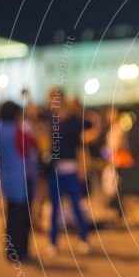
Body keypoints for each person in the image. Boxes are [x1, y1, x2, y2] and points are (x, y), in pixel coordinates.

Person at [46, 91, 96, 256]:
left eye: (55, 99)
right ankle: (53, 242)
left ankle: (83, 239)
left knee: (76, 206)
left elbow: (79, 146)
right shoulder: (51, 121)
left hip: (71, 169)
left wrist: (82, 168)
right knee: (54, 208)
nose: (53, 103)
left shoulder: (73, 121)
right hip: (55, 170)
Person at [0, 101, 37, 261]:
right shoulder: (17, 131)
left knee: (11, 216)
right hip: (22, 178)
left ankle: (11, 251)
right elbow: (34, 143)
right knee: (23, 217)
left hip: (7, 178)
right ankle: (22, 251)